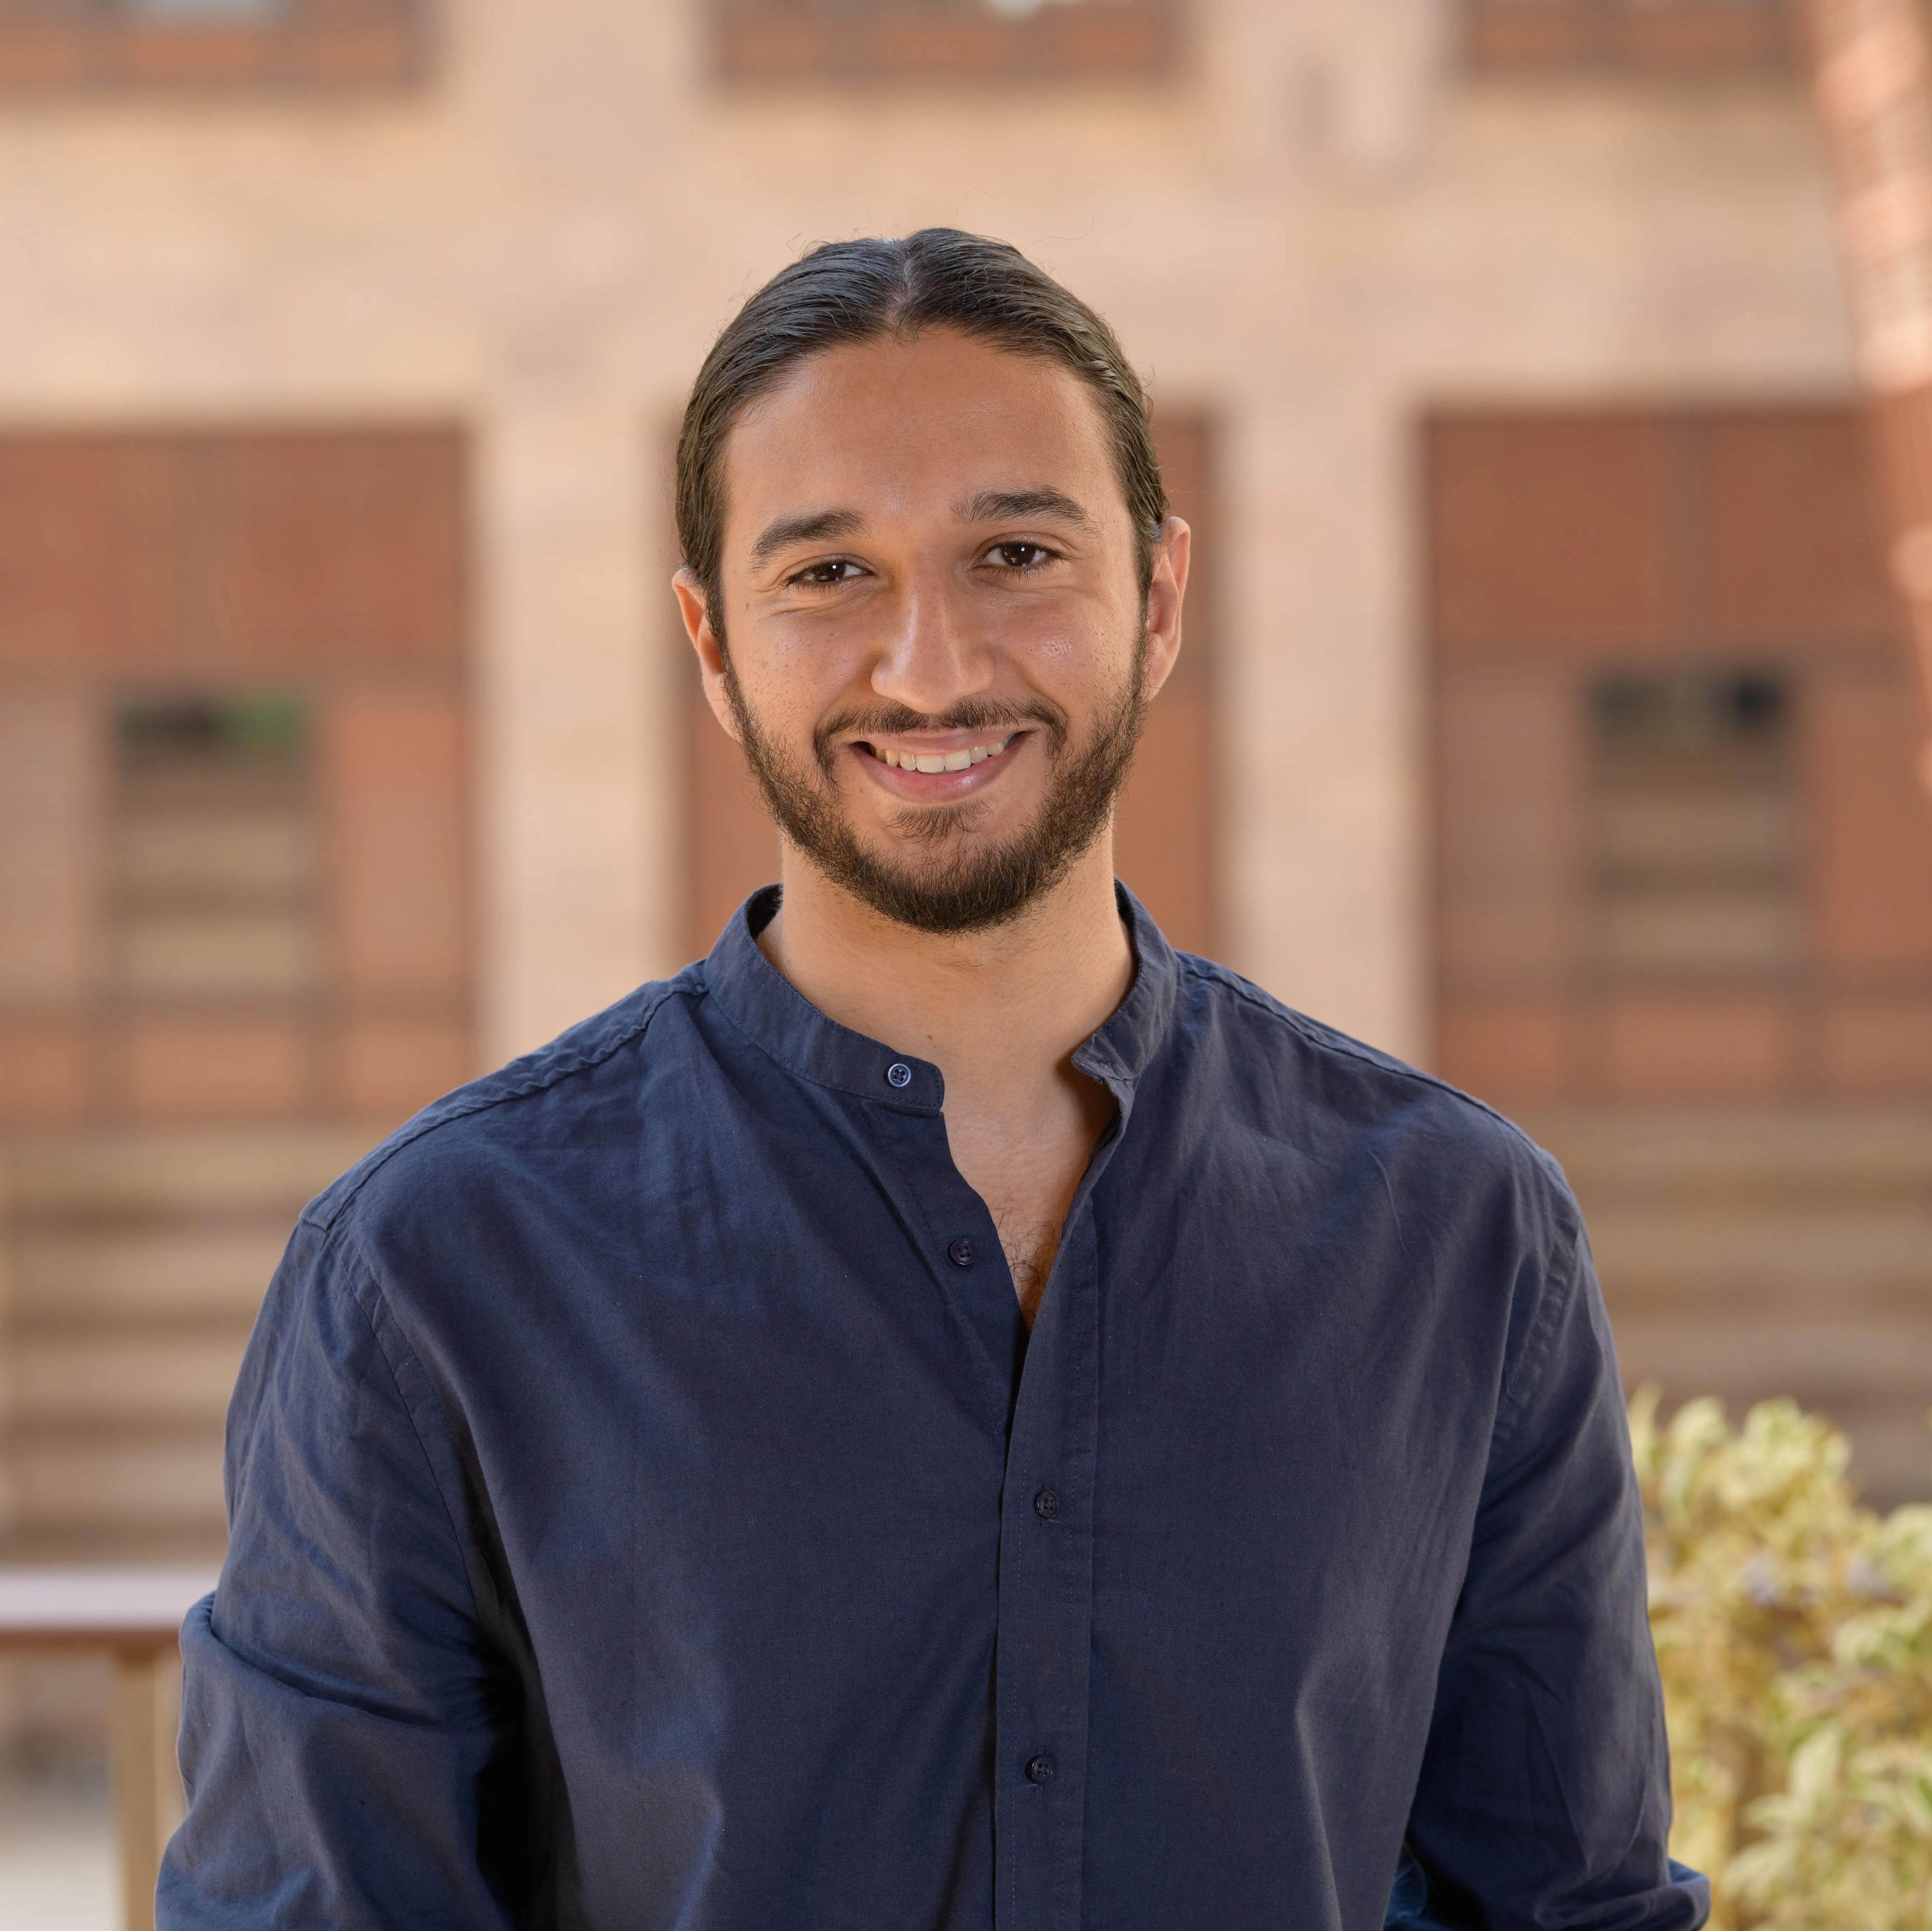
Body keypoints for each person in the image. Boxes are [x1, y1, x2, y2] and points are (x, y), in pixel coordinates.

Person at [159, 229, 1707, 1931]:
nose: (929, 666)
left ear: (1161, 595)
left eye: (1016, 550)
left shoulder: (1458, 1232)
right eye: (827, 575)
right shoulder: (431, 1266)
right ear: (709, 637)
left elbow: (1565, 1905)